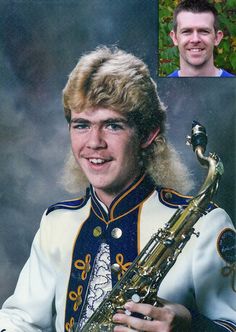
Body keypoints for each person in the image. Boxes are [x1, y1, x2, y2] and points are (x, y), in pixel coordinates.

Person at [0, 46, 235, 332]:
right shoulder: (56, 222)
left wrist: (191, 327)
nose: (94, 143)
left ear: (148, 134)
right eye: (81, 125)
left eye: (112, 125)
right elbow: (20, 318)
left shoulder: (207, 222)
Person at [167, 0, 235, 77]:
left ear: (217, 38)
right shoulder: (160, 87)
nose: (195, 39)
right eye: (186, 31)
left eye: (204, 31)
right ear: (175, 38)